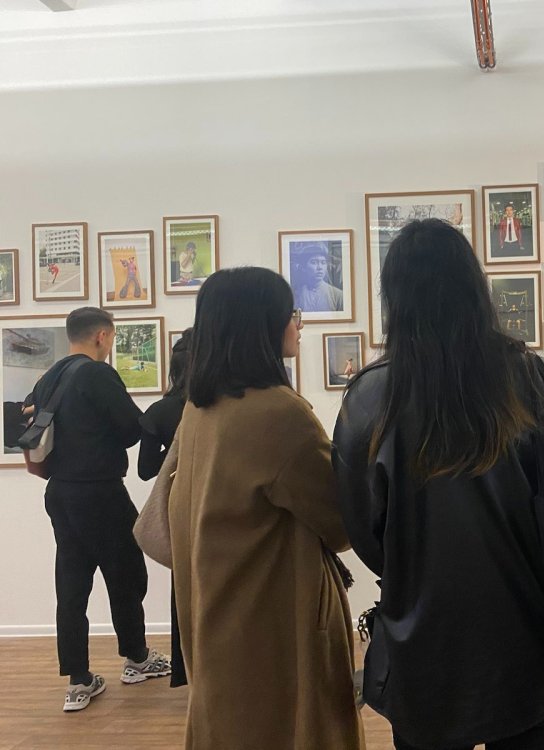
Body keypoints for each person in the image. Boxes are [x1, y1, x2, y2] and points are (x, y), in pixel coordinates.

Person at [333, 218, 544, 750]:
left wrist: (415, 563)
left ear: (394, 298)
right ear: (475, 286)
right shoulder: (538, 380)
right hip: (534, 636)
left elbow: (363, 529)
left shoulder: (369, 398)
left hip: (424, 640)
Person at [169, 268, 362, 749]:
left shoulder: (200, 408)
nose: (299, 323)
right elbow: (340, 523)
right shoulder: (278, 413)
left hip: (218, 614)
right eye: (291, 313)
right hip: (273, 620)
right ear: (262, 324)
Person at [29, 307, 168, 712]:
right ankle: (137, 659)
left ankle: (78, 681)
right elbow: (130, 430)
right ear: (102, 336)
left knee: (71, 584)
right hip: (100, 491)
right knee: (126, 574)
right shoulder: (97, 374)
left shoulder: (49, 377)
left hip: (60, 492)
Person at [137, 328, 192, 689]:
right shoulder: (214, 408)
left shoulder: (159, 411)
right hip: (218, 503)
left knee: (183, 585)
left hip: (178, 506)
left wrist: (174, 454)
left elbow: (145, 469)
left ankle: (185, 669)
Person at [294, 243, 344, 313]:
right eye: (314, 262)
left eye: (323, 263)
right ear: (304, 267)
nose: (320, 267)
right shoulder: (296, 294)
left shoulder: (338, 295)